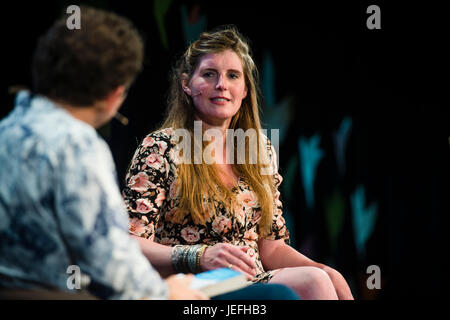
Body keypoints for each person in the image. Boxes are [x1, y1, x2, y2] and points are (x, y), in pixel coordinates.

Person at [123, 25, 354, 300]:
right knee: (283, 295)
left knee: (318, 280)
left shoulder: (259, 151)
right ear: (186, 83)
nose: (221, 84)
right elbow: (128, 242)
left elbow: (271, 248)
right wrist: (199, 256)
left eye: (233, 76)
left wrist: (327, 270)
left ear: (245, 89)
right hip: (189, 285)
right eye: (209, 74)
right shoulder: (160, 147)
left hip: (251, 278)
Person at [0, 6, 208, 300]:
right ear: (114, 94)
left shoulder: (7, 128)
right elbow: (109, 261)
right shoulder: (77, 145)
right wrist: (166, 292)